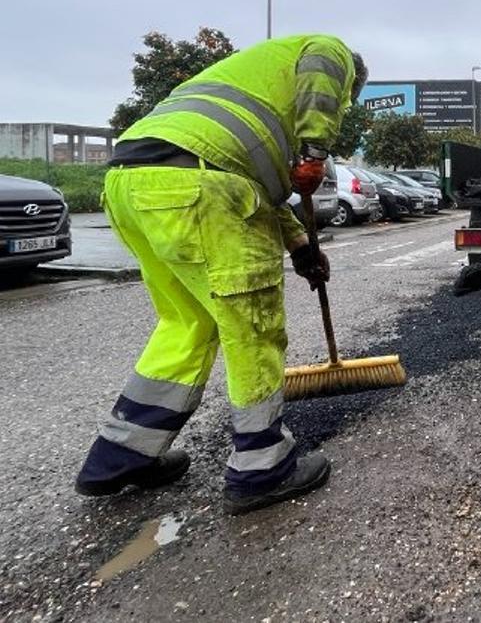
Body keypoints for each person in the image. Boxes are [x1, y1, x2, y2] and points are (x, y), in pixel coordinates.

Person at [74, 35, 367, 515]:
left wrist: (300, 246)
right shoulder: (327, 51)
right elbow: (321, 69)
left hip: (131, 183)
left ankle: (120, 455)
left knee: (187, 323)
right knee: (252, 327)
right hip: (200, 185)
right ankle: (262, 468)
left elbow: (256, 186)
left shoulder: (246, 91)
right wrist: (315, 153)